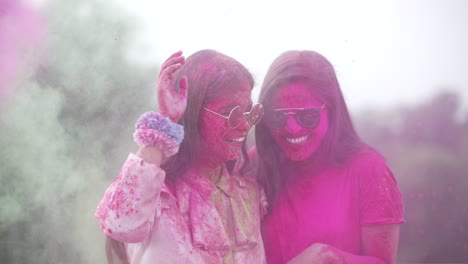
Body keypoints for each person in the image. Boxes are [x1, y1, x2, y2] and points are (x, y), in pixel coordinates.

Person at [95, 50, 267, 264]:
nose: (244, 125)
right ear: (193, 111)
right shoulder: (156, 196)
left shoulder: (249, 195)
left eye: (249, 112)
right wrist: (166, 120)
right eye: (231, 113)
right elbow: (119, 224)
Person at [253, 50, 405, 264]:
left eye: (307, 116)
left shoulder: (369, 171)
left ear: (332, 111)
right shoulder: (253, 166)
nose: (293, 128)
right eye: (277, 117)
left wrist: (332, 258)